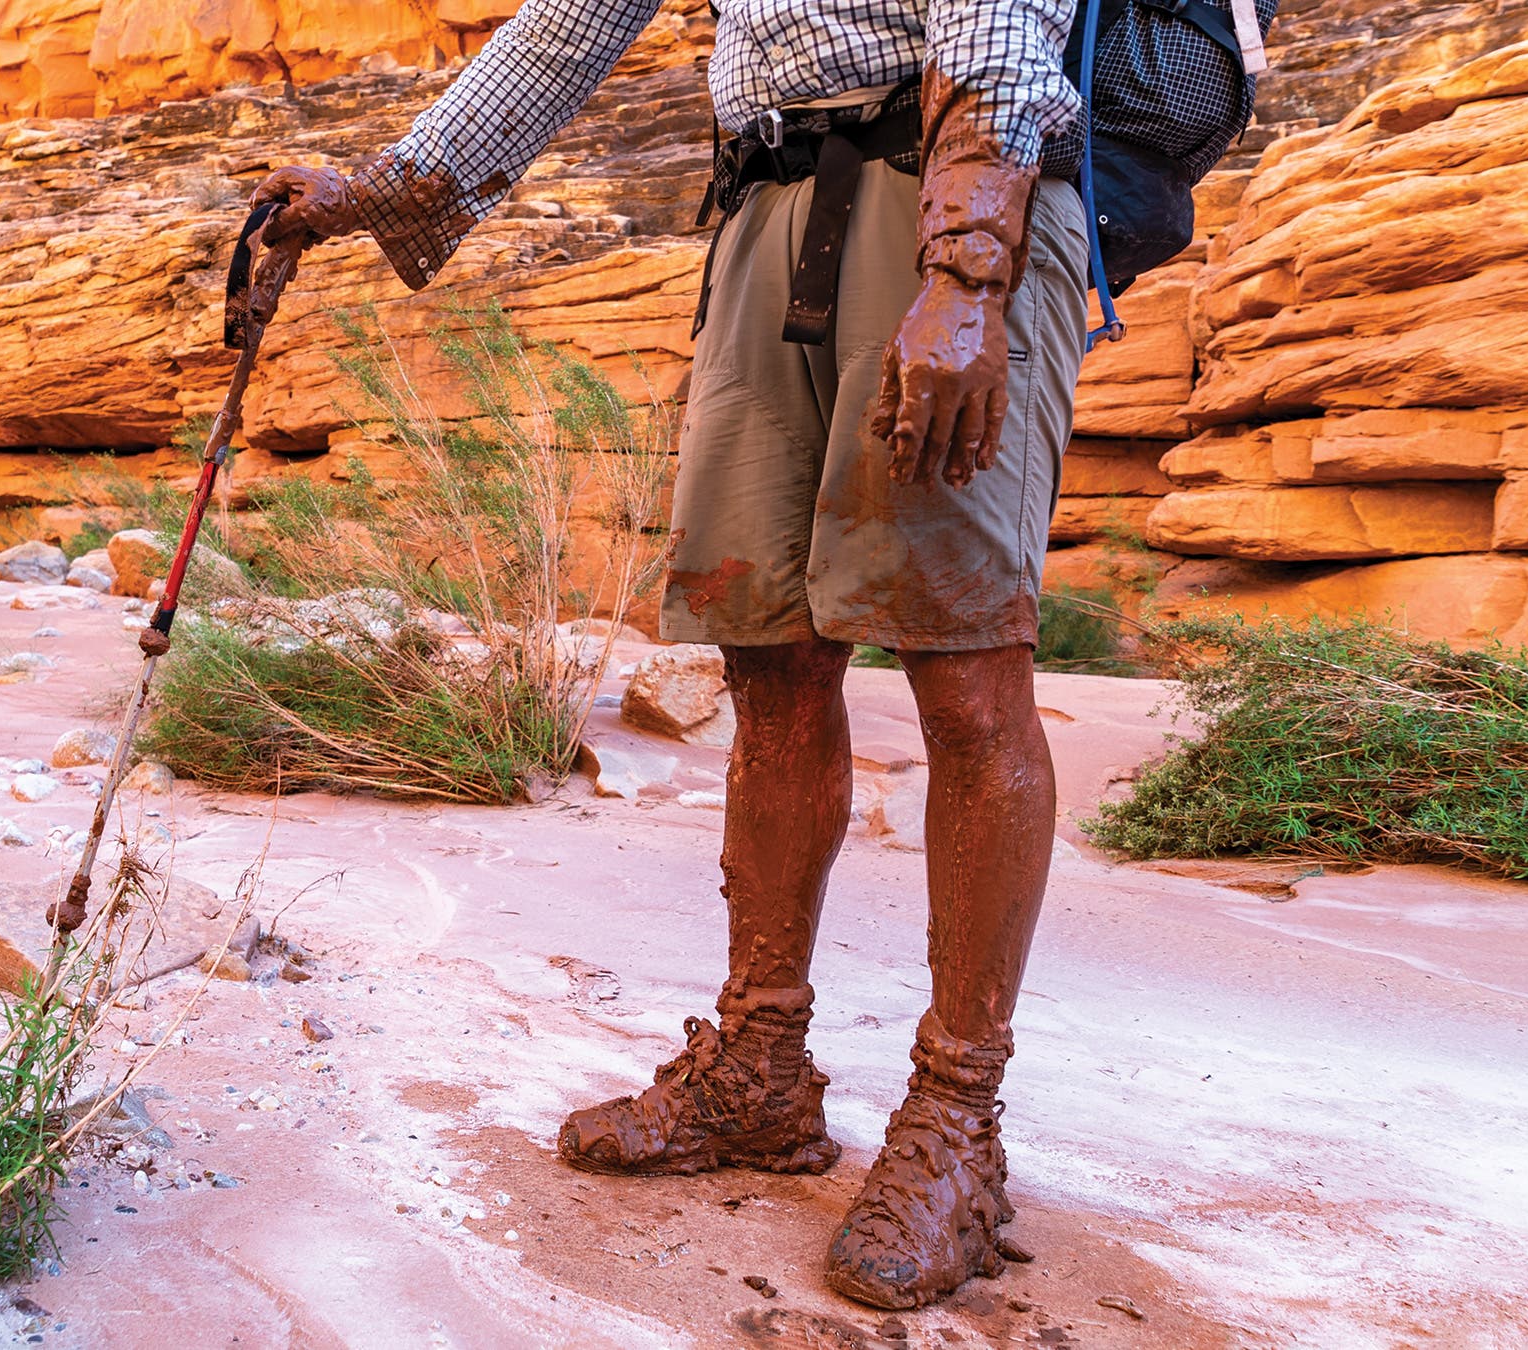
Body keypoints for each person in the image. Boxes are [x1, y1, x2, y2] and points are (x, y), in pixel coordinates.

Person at [256, 0, 1090, 1311]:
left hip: (943, 209)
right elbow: (565, 29)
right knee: (769, 666)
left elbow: (997, 18)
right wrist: (381, 189)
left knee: (967, 662)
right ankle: (759, 1065)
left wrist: (972, 263)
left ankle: (956, 1123)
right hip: (765, 218)